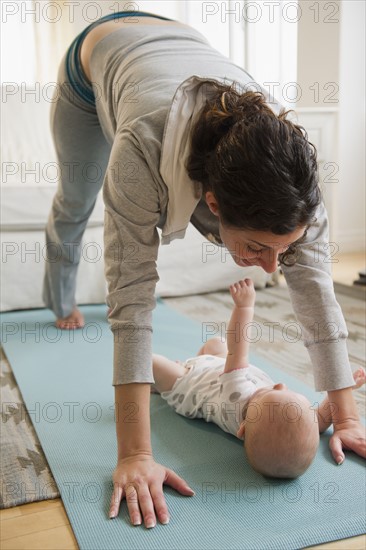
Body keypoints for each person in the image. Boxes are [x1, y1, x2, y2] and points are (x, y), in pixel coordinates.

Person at [42, 9, 365, 528]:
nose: (272, 268)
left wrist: (346, 415)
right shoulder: (141, 149)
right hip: (94, 64)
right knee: (76, 201)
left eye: (282, 249)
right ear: (211, 204)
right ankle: (57, 297)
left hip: (184, 43)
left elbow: (315, 291)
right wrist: (135, 454)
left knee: (285, 254)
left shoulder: (294, 178)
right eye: (258, 248)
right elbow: (130, 296)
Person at [152, 278, 366, 479]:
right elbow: (322, 416)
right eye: (288, 391)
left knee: (154, 363)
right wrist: (346, 386)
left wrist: (244, 308)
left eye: (271, 391)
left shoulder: (235, 397)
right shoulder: (281, 419)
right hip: (217, 368)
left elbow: (238, 350)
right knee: (216, 345)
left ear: (242, 428)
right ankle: (198, 359)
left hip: (188, 385)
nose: (281, 385)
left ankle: (157, 382)